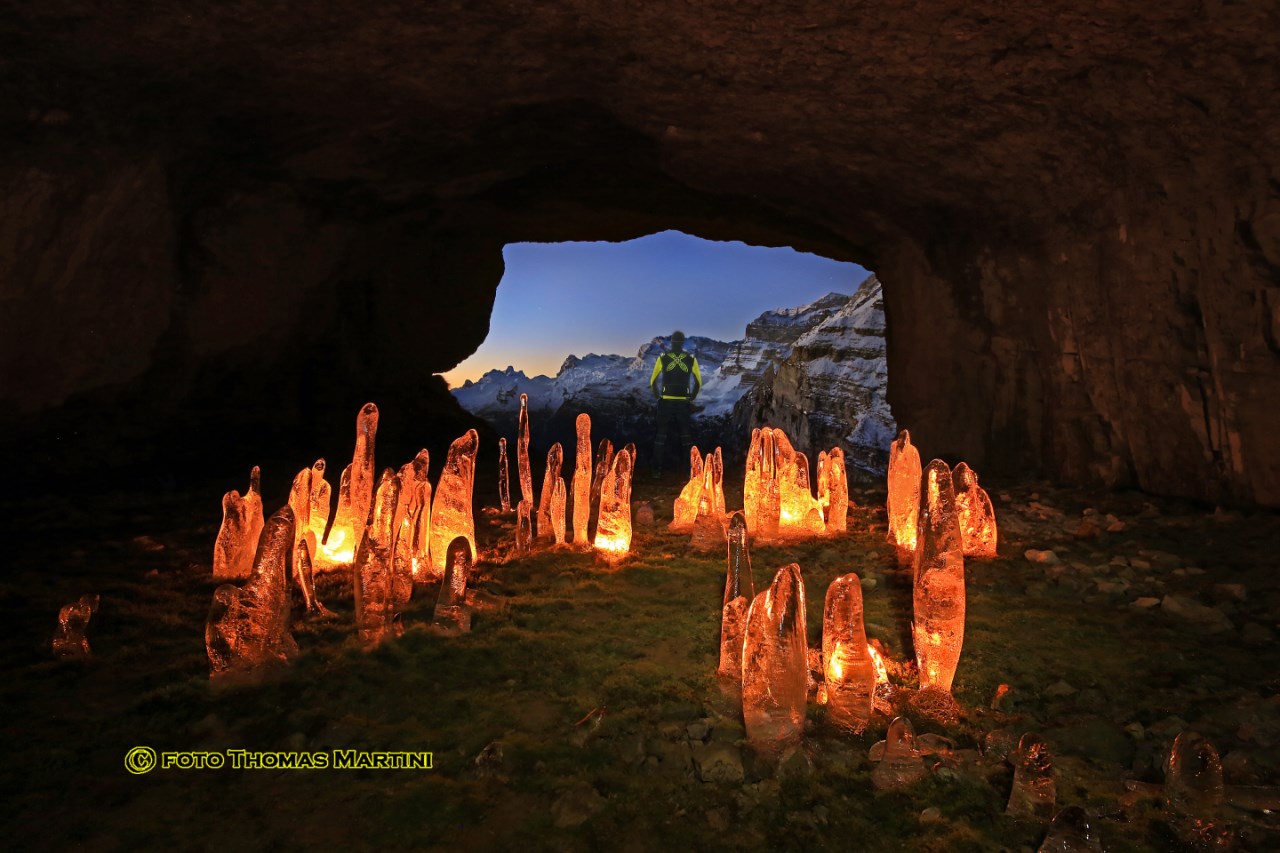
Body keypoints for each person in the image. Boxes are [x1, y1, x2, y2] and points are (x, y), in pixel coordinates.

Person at [649, 330, 701, 479]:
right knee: (686, 437)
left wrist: (658, 396)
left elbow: (653, 380)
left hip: (666, 400)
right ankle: (688, 470)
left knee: (660, 436)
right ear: (683, 342)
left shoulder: (663, 357)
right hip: (683, 401)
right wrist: (692, 396)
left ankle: (656, 471)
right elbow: (698, 380)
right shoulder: (690, 359)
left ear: (672, 342)